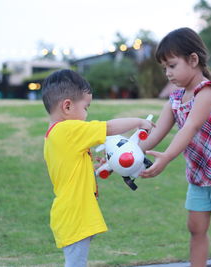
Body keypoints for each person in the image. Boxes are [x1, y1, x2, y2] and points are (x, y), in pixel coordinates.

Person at [139, 27, 211, 267]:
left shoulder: (209, 91)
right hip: (199, 175)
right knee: (195, 228)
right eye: (164, 68)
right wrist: (126, 154)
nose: (167, 73)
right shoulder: (175, 99)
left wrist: (167, 157)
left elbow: (190, 127)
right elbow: (156, 133)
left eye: (172, 65)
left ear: (193, 60)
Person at [42, 69, 154, 267]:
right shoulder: (68, 129)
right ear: (67, 106)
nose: (87, 114)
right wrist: (139, 122)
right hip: (75, 214)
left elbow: (71, 170)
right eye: (86, 107)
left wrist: (92, 168)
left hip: (72, 213)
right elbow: (108, 128)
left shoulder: (55, 134)